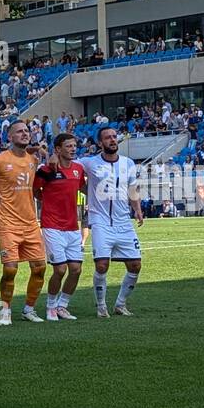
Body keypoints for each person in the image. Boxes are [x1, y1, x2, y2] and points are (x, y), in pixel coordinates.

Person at [78, 127, 143, 317]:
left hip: (123, 221)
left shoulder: (128, 163)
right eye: (108, 138)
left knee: (135, 265)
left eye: (114, 137)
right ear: (100, 143)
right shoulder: (89, 163)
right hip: (100, 222)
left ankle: (120, 304)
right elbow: (70, 168)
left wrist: (137, 209)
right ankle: (101, 306)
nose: (112, 140)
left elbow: (133, 188)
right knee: (101, 265)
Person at [0, 121, 47, 324]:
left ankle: (29, 309)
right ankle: (4, 310)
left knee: (40, 267)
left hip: (30, 222)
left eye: (26, 131)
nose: (24, 134)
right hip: (7, 223)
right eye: (19, 131)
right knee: (10, 269)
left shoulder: (33, 160)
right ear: (9, 137)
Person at [34, 133, 86, 321]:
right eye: (68, 146)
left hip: (72, 226)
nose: (73, 149)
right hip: (52, 225)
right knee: (60, 269)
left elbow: (81, 188)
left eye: (74, 145)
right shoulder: (46, 169)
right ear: (57, 149)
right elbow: (35, 190)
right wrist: (45, 201)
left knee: (76, 269)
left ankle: (62, 306)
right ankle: (50, 307)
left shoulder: (79, 169)